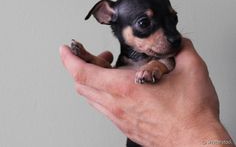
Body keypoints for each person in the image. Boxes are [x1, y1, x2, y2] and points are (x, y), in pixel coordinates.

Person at [59, 39, 235, 147]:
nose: (171, 35)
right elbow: (114, 72)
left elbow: (164, 66)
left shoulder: (169, 61)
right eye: (144, 23)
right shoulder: (125, 61)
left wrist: (190, 133)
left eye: (172, 20)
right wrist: (93, 60)